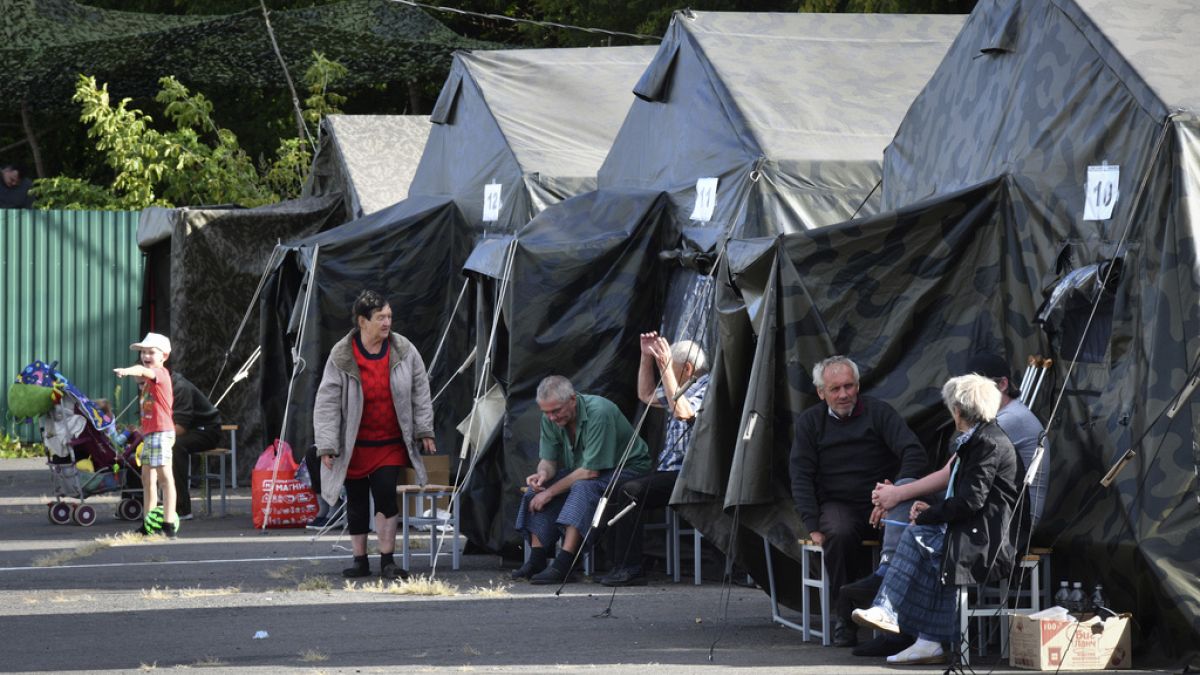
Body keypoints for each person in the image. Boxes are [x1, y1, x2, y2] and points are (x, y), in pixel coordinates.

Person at [841, 351, 1047, 653]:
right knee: (917, 520)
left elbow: (965, 493)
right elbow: (966, 488)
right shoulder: (984, 435)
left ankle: (898, 612)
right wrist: (921, 506)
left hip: (1000, 529)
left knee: (922, 534)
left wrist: (925, 512)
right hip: (987, 519)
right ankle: (919, 631)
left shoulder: (997, 432)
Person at [789, 355, 927, 647]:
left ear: (858, 386)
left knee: (918, 529)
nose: (843, 394)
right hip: (838, 505)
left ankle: (903, 620)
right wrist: (812, 525)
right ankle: (845, 617)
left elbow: (914, 452)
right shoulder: (810, 423)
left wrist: (895, 491)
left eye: (849, 386)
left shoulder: (879, 413)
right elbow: (800, 476)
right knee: (836, 533)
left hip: (883, 501)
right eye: (835, 389)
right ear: (821, 392)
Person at [314, 290, 437, 580]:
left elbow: (421, 390)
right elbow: (327, 400)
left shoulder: (404, 349)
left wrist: (424, 429)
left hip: (390, 442)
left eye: (389, 316)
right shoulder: (342, 354)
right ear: (362, 321)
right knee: (356, 499)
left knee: (384, 494)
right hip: (353, 443)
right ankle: (359, 560)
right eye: (380, 317)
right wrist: (327, 444)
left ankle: (387, 560)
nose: (387, 322)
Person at [512, 375, 652, 585]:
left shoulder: (600, 412)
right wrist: (542, 475)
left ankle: (565, 563)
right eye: (546, 412)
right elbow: (548, 461)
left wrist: (551, 492)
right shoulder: (550, 417)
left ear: (572, 400)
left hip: (627, 470)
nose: (551, 417)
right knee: (536, 492)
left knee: (583, 488)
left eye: (556, 411)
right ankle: (537, 559)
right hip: (585, 471)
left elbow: (591, 472)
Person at [599, 333, 709, 587]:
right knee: (616, 488)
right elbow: (645, 394)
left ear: (689, 369)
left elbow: (684, 412)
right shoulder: (680, 385)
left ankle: (631, 569)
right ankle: (616, 564)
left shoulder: (706, 385)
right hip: (668, 470)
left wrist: (667, 367)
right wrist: (646, 358)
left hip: (691, 473)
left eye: (669, 368)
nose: (664, 373)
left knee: (630, 492)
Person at [114, 332, 179, 538]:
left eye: (151, 352)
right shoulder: (147, 385)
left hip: (162, 433)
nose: (146, 355)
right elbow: (141, 374)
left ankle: (168, 524)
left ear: (164, 356)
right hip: (151, 434)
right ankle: (148, 523)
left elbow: (142, 370)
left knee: (165, 478)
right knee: (147, 479)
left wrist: (125, 370)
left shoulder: (161, 374)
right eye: (143, 352)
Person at [169, 371, 222, 521]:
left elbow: (181, 427)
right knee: (140, 443)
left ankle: (182, 508)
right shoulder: (149, 387)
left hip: (206, 430)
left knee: (173, 446)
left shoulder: (179, 387)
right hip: (184, 429)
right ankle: (137, 501)